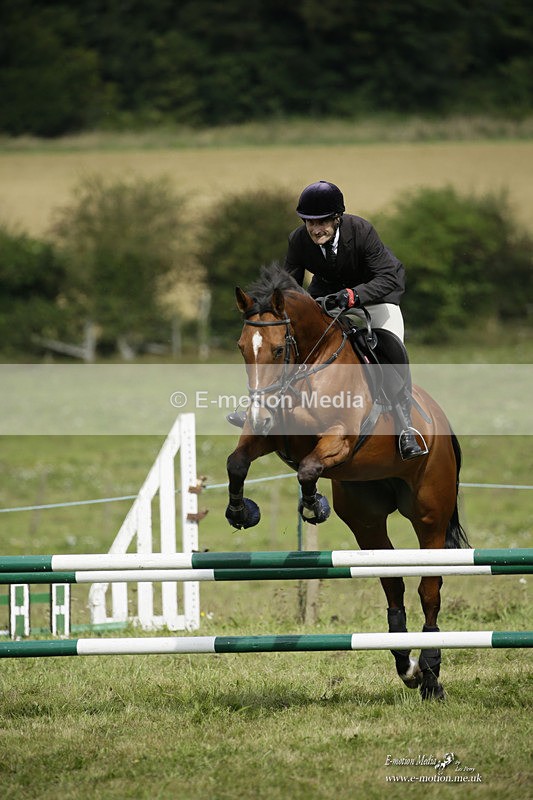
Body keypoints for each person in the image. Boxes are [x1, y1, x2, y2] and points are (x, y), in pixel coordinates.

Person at [283, 180, 426, 460]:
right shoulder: (298, 240)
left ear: (337, 218)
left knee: (391, 351)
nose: (315, 229)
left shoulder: (361, 231)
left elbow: (387, 277)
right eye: (309, 222)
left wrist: (352, 296)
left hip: (376, 296)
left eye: (322, 222)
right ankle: (269, 406)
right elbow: (289, 285)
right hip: (329, 296)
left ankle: (404, 424)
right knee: (292, 341)